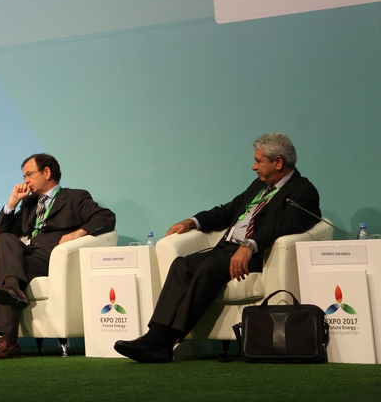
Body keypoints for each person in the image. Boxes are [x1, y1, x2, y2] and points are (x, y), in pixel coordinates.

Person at [115, 133, 321, 363]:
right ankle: (154, 335)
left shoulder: (302, 191)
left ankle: (166, 341)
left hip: (255, 255)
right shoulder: (260, 186)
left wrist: (249, 246)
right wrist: (192, 221)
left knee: (208, 268)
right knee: (182, 265)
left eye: (258, 161)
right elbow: (228, 211)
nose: (254, 167)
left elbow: (282, 225)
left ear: (279, 162)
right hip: (226, 249)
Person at [0, 153, 116, 360]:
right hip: (29, 255)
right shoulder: (29, 203)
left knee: (9, 272)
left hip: (53, 257)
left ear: (46, 172)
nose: (26, 180)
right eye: (24, 176)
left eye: (29, 174)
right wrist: (12, 202)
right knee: (6, 240)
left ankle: (8, 339)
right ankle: (12, 288)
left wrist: (78, 233)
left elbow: (106, 217)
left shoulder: (75, 197)